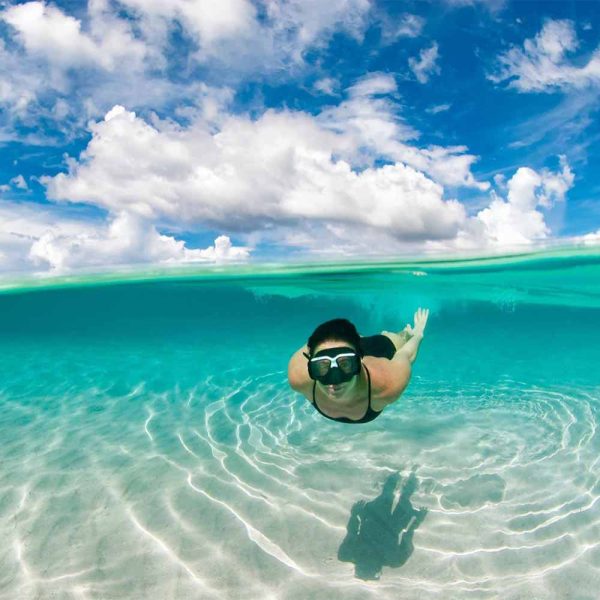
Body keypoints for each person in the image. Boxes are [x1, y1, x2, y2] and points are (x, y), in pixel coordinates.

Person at [287, 308, 429, 424]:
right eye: (322, 365)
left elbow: (405, 355)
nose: (334, 380)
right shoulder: (299, 377)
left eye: (345, 365)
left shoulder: (386, 384)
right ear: (310, 365)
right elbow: (310, 346)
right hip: (352, 347)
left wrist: (417, 335)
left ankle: (402, 334)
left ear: (360, 360)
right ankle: (351, 344)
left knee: (398, 340)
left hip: (378, 349)